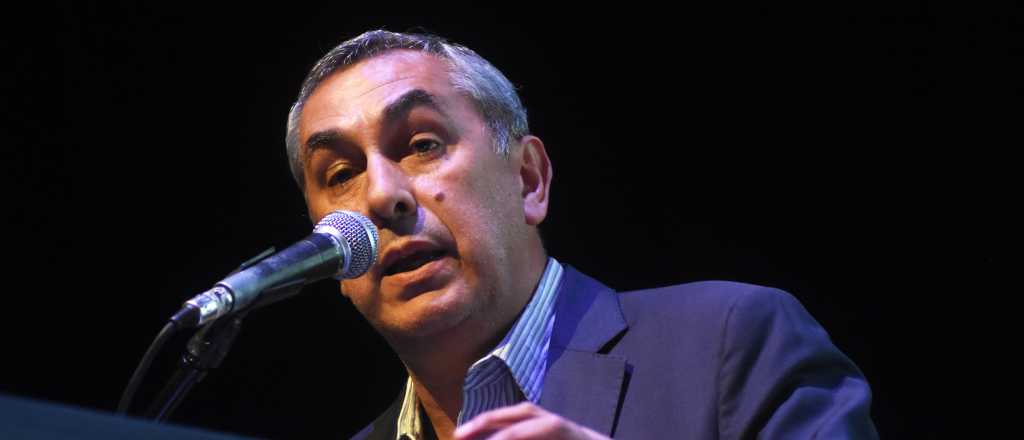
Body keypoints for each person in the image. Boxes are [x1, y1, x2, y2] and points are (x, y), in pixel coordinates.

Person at [284, 29, 878, 440]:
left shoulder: (732, 342)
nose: (381, 196)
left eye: (422, 145)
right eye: (340, 175)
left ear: (529, 179)